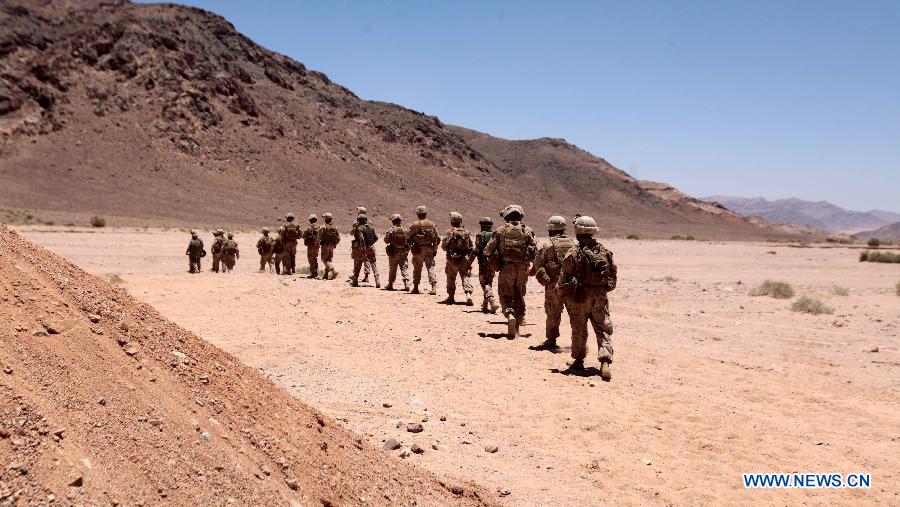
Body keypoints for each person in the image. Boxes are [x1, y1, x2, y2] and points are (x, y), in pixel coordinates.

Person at [556, 215, 617, 381]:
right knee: (602, 329)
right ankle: (605, 361)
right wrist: (601, 290)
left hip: (579, 297)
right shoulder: (605, 252)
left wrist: (561, 295)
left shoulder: (574, 252)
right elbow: (612, 278)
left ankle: (579, 360)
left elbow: (564, 278)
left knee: (579, 328)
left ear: (577, 232)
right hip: (600, 296)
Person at [483, 205, 536, 339]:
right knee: (519, 294)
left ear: (507, 216)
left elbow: (487, 250)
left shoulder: (500, 230)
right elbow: (535, 251)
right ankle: (518, 325)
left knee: (505, 294)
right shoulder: (528, 231)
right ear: (521, 216)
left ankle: (509, 314)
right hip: (523, 269)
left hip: (506, 268)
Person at [530, 216, 577, 351]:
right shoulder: (573, 243)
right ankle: (578, 344)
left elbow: (538, 264)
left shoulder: (547, 245)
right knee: (574, 314)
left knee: (552, 313)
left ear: (550, 229)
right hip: (570, 285)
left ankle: (551, 340)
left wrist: (544, 279)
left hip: (554, 285)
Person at [440, 212, 474, 305]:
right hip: (464, 259)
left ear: (452, 221)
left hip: (452, 259)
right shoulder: (466, 232)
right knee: (465, 276)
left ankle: (451, 297)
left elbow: (443, 246)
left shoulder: (449, 232)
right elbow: (471, 246)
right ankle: (468, 295)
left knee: (451, 277)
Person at [468, 217, 500, 313]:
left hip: (483, 263)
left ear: (481, 225)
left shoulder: (480, 236)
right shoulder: (495, 235)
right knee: (489, 282)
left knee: (484, 283)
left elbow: (476, 250)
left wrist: (469, 262)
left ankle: (492, 301)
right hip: (494, 263)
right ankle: (485, 305)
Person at [407, 206, 440, 295]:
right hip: (430, 249)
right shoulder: (432, 224)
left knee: (417, 268)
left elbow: (408, 236)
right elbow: (437, 238)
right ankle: (433, 287)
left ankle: (416, 287)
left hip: (419, 249)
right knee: (430, 267)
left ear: (418, 214)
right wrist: (435, 249)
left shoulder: (416, 224)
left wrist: (411, 245)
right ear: (425, 214)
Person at [350, 215, 380, 287]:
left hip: (362, 249)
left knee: (358, 264)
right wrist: (370, 244)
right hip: (371, 248)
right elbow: (376, 238)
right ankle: (377, 281)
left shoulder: (360, 228)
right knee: (373, 264)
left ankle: (355, 281)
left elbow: (362, 240)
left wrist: (364, 249)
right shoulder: (371, 227)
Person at [383, 213, 410, 291]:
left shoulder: (391, 229)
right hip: (403, 252)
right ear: (400, 221)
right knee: (404, 267)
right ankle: (406, 283)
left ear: (393, 221)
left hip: (394, 252)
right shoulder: (405, 230)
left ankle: (390, 284)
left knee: (392, 268)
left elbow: (386, 240)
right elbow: (409, 241)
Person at [318, 213, 341, 280]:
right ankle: (326, 275)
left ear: (325, 219)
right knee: (329, 259)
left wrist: (317, 243)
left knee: (324, 259)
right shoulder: (334, 227)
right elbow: (338, 238)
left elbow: (319, 237)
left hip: (325, 245)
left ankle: (333, 271)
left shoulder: (323, 227)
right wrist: (334, 244)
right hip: (332, 245)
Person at [302, 214, 322, 279]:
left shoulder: (309, 227)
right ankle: (315, 272)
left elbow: (303, 235)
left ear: (310, 220)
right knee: (315, 258)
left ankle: (313, 273)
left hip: (311, 245)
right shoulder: (319, 227)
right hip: (317, 245)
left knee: (311, 259)